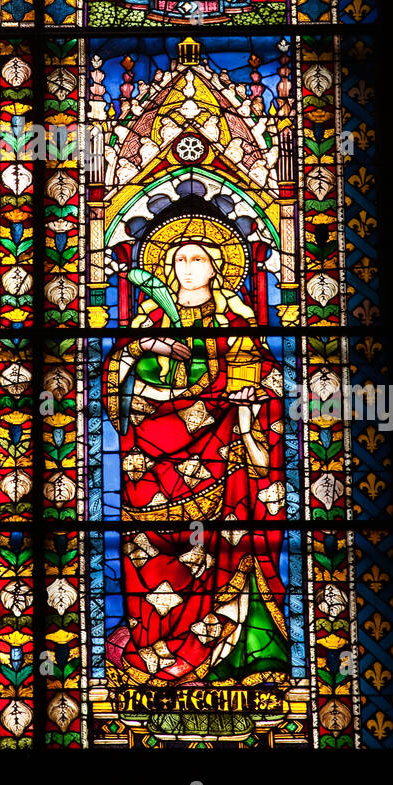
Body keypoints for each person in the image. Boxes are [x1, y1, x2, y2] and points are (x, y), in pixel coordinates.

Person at [103, 216, 288, 683]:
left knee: (225, 552)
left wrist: (247, 403)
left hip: (221, 458)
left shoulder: (234, 324)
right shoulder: (149, 324)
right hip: (146, 466)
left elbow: (266, 380)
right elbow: (115, 392)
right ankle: (151, 646)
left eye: (199, 259)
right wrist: (142, 349)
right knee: (152, 558)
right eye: (180, 259)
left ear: (217, 270)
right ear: (167, 268)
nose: (188, 268)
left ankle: (220, 661)